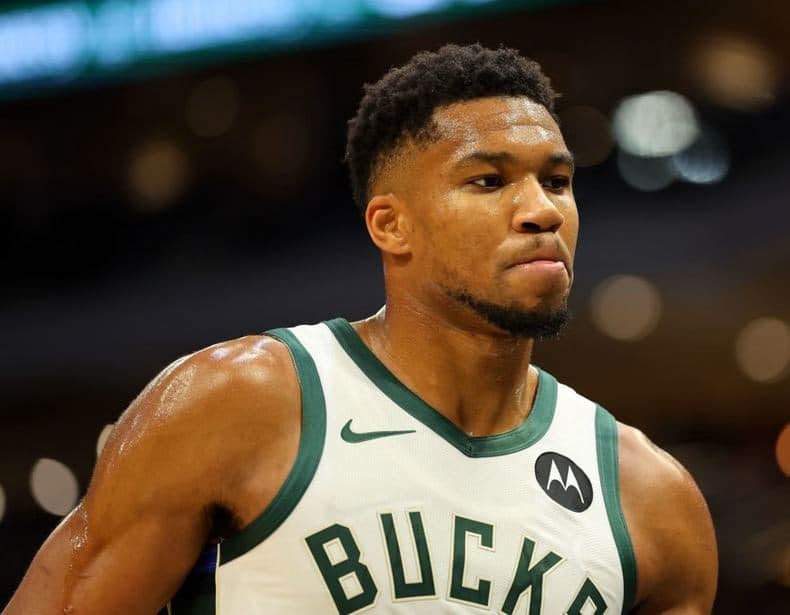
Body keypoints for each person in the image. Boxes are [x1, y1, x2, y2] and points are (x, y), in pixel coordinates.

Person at [3, 43, 717, 615]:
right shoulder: (237, 403)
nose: (543, 211)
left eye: (557, 181)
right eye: (489, 181)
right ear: (390, 224)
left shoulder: (650, 499)